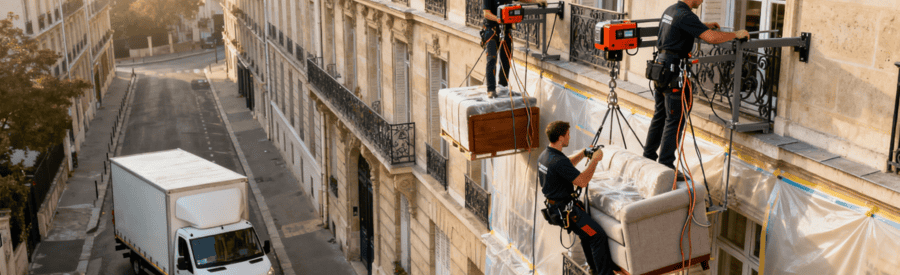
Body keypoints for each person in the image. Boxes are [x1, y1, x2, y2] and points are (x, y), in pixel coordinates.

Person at [643, 0, 749, 179]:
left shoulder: (672, 10)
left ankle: (648, 157)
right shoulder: (686, 15)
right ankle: (666, 165)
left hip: (660, 69)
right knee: (674, 121)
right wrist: (736, 34)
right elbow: (712, 38)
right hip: (674, 72)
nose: (702, 0)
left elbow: (679, 29)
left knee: (660, 116)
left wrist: (703, 26)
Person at [538, 121, 626, 275]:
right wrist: (594, 160)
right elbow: (583, 181)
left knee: (587, 234)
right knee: (597, 236)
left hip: (556, 209)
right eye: (567, 135)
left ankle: (593, 268)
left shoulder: (546, 156)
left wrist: (584, 153)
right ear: (560, 138)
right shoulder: (557, 161)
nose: (569, 137)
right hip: (567, 211)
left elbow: (565, 165)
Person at [482, 0, 545, 97]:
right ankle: (491, 89)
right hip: (492, 31)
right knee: (491, 60)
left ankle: (503, 87)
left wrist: (537, 1)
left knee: (506, 60)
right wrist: (499, 19)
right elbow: (486, 13)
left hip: (506, 30)